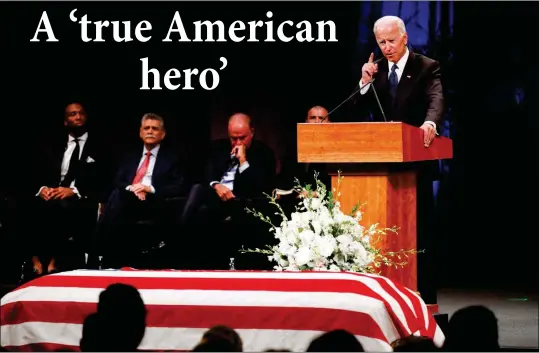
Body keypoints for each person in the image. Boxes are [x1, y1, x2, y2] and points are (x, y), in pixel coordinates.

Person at [354, 15, 446, 304]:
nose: (387, 47)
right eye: (381, 42)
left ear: (404, 37)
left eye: (391, 40)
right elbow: (356, 111)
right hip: (382, 169)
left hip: (416, 165)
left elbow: (436, 100)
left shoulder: (426, 66)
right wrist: (364, 83)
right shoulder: (376, 71)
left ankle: (424, 299)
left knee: (419, 235)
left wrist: (430, 124)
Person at [183, 113, 276, 269]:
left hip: (242, 200)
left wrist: (243, 161)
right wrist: (216, 185)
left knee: (204, 208)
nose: (238, 143)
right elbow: (207, 173)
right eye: (234, 138)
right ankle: (183, 240)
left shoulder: (264, 153)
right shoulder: (217, 148)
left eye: (242, 138)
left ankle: (178, 238)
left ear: (252, 132)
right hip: (216, 196)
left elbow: (259, 186)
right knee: (197, 189)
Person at [29, 102, 109, 276]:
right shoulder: (54, 144)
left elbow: (105, 179)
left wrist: (75, 190)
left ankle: (53, 261)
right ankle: (35, 259)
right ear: (65, 121)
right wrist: (43, 188)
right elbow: (36, 172)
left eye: (81, 113)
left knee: (61, 207)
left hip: (83, 198)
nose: (77, 117)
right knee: (29, 205)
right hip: (51, 194)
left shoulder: (101, 146)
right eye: (72, 114)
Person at [97, 113, 186, 268]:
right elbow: (118, 180)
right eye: (146, 128)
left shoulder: (172, 157)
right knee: (117, 194)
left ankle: (100, 254)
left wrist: (149, 188)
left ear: (163, 134)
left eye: (154, 128)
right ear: (140, 132)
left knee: (116, 199)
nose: (150, 131)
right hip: (129, 199)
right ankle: (109, 254)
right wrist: (133, 188)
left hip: (154, 202)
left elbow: (179, 186)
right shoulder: (130, 155)